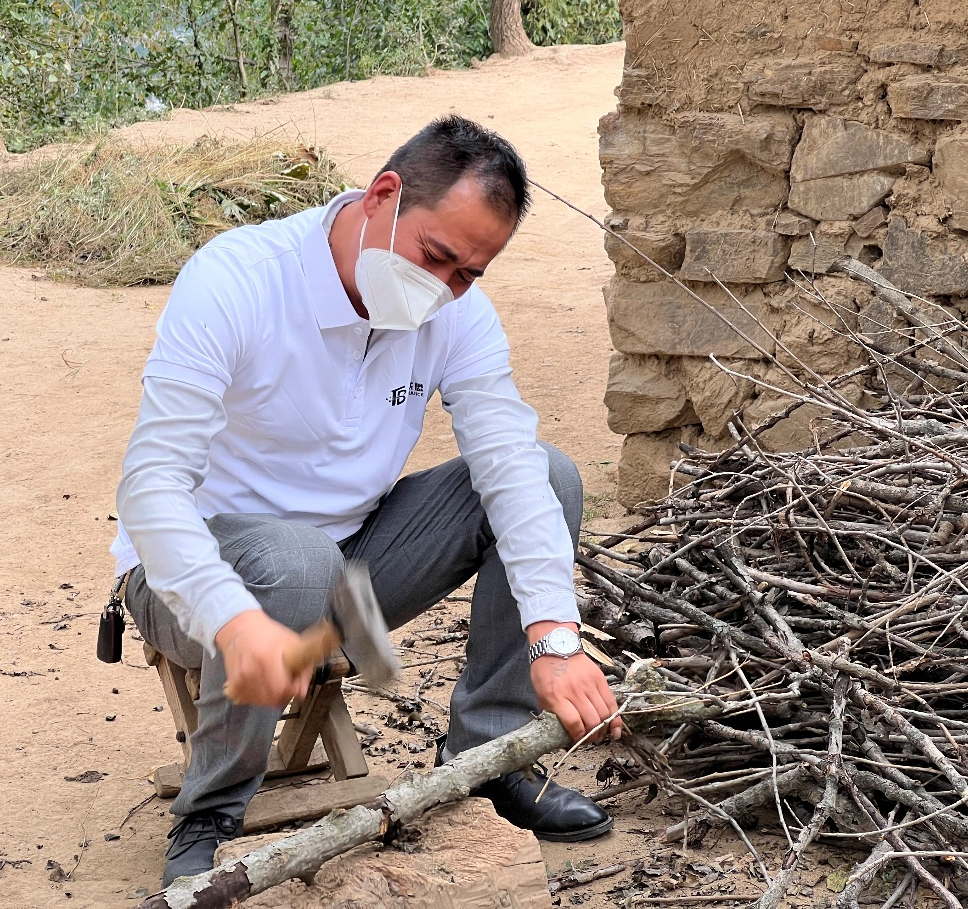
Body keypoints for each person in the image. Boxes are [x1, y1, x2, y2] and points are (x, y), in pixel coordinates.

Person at [113, 115, 621, 886]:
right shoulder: (239, 279)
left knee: (547, 475)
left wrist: (554, 634)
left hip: (350, 570)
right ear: (383, 195)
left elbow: (509, 465)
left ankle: (486, 757)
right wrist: (232, 616)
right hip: (195, 582)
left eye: (469, 274)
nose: (445, 289)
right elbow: (151, 486)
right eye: (436, 257)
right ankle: (212, 809)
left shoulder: (455, 314)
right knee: (291, 563)